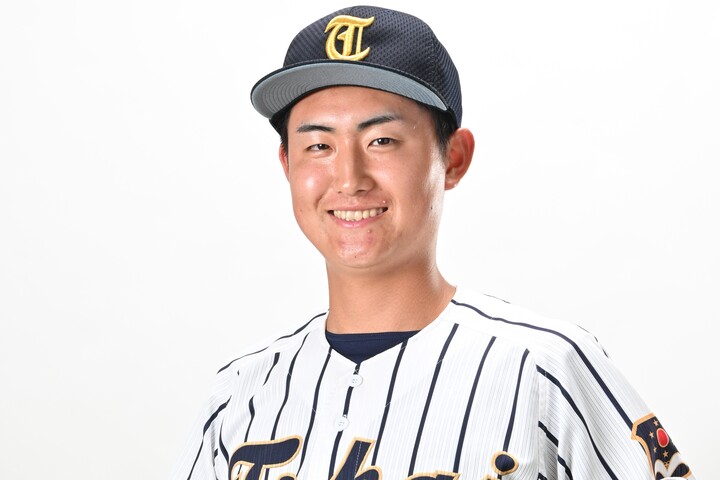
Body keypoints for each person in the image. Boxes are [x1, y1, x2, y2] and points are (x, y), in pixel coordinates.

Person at [171, 5, 694, 480]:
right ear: (287, 164)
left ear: (454, 158)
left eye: (382, 140)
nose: (349, 178)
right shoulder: (240, 392)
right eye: (319, 145)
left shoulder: (544, 369)